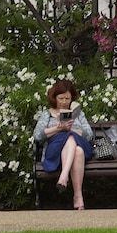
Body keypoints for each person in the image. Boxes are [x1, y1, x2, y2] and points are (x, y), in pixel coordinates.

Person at [32, 78, 94, 209]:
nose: (64, 102)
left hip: (78, 144)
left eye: (67, 99)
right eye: (61, 98)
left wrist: (72, 128)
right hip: (55, 153)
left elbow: (89, 135)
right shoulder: (47, 114)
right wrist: (58, 128)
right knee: (77, 150)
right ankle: (78, 196)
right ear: (54, 98)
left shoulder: (78, 114)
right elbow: (37, 136)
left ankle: (64, 177)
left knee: (72, 139)